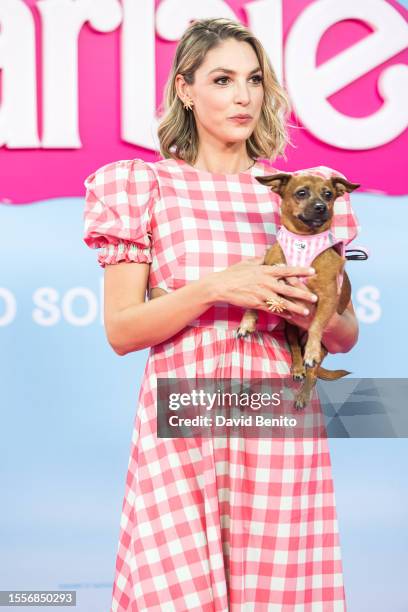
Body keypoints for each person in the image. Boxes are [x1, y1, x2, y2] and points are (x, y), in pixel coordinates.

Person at [83, 17, 359, 612]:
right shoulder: (143, 186)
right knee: (173, 591)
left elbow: (344, 336)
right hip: (183, 420)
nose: (243, 96)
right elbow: (122, 330)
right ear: (185, 88)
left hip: (279, 417)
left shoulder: (306, 193)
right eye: (223, 79)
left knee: (280, 591)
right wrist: (218, 288)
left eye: (254, 80)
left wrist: (315, 307)